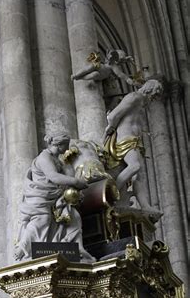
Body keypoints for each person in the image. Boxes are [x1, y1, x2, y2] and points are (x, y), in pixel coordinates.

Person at [14, 133, 101, 263]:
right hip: (40, 196)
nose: (67, 149)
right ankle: (23, 247)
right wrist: (76, 182)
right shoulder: (44, 157)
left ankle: (77, 248)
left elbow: (65, 175)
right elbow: (53, 177)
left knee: (74, 216)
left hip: (55, 196)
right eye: (66, 146)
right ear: (59, 145)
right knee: (43, 219)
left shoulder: (56, 159)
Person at [103, 79, 163, 218]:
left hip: (136, 141)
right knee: (134, 166)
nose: (155, 97)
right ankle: (112, 193)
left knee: (139, 177)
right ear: (149, 88)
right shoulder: (134, 97)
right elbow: (113, 115)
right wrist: (110, 128)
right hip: (126, 139)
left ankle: (145, 206)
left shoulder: (142, 103)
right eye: (156, 92)